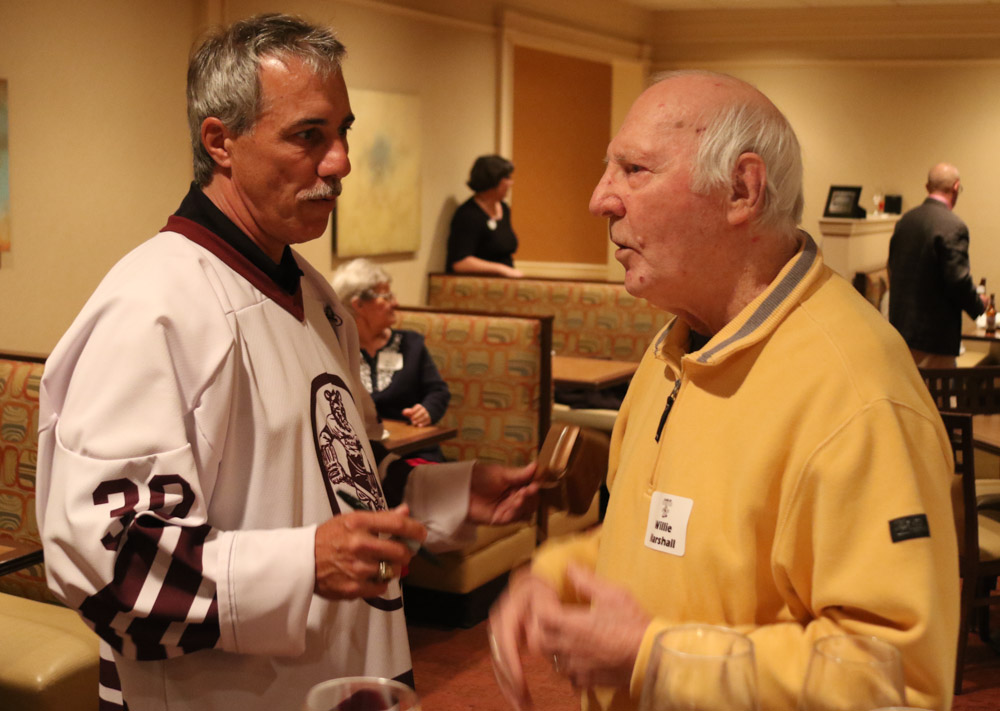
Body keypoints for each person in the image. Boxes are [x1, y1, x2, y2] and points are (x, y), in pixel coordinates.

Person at [35, 14, 538, 711]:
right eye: (309, 136)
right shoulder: (151, 307)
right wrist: (303, 562)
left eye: (343, 133)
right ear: (221, 142)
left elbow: (339, 475)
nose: (340, 163)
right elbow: (115, 569)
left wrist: (446, 496)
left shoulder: (317, 296)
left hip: (346, 676)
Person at [489, 70, 958, 711]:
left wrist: (655, 655)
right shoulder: (678, 347)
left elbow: (894, 680)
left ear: (741, 190)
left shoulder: (858, 395)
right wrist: (551, 579)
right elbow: (660, 540)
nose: (600, 198)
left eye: (634, 170)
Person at [332, 258, 451, 460]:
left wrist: (427, 410)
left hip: (413, 451)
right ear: (358, 305)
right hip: (357, 456)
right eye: (386, 297)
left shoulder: (410, 344)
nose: (394, 303)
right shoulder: (337, 349)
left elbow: (438, 391)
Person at [888, 162, 985, 368]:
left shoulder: (905, 220)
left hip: (900, 332)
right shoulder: (953, 226)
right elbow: (957, 280)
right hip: (934, 338)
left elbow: (892, 268)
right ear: (956, 187)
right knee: (939, 399)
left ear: (927, 187)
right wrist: (979, 305)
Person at [446, 154, 523, 277]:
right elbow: (460, 262)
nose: (511, 182)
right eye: (507, 178)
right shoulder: (468, 214)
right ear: (494, 181)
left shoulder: (504, 208)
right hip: (481, 288)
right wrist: (501, 269)